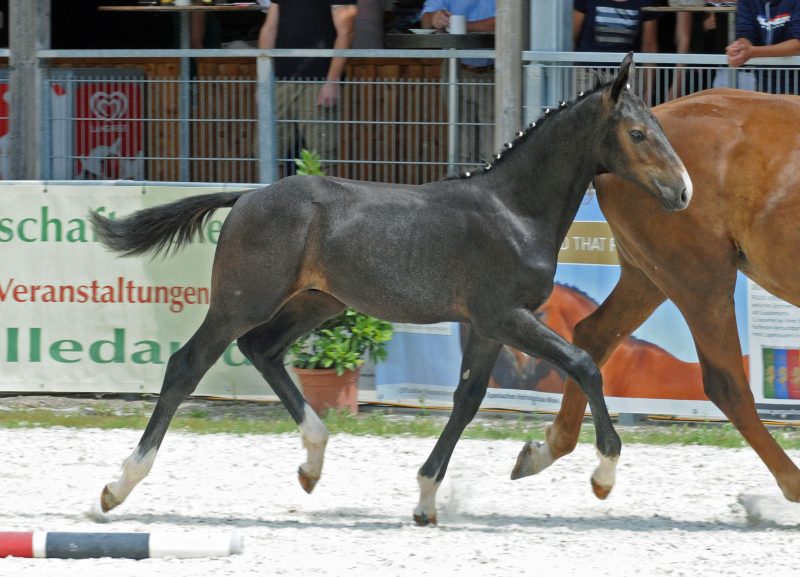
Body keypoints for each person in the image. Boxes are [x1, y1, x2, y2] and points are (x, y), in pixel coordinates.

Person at [258, 1, 358, 175]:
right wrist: (264, 81)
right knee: (268, 152)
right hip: (281, 79)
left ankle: (327, 202)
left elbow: (346, 33)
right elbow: (269, 29)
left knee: (323, 154)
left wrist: (331, 82)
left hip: (317, 81)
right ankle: (269, 201)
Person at [420, 0, 496, 168]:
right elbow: (425, 19)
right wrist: (434, 18)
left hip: (495, 72)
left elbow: (506, 23)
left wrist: (461, 26)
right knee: (462, 151)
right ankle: (463, 193)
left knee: (494, 151)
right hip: (455, 69)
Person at [573, 0, 660, 103]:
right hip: (587, 75)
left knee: (624, 118)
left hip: (627, 78)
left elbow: (649, 46)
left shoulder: (645, 2)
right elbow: (571, 37)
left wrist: (648, 92)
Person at [726, 0, 800, 94]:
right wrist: (739, 47)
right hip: (763, 80)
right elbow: (745, 32)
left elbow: (798, 44)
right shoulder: (746, 2)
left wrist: (753, 52)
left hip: (796, 79)